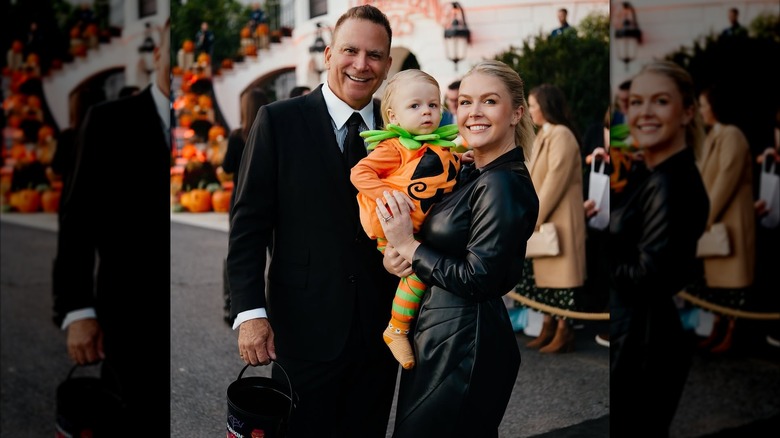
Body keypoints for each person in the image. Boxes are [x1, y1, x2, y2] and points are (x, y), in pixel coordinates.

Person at [226, 5, 399, 437]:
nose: (361, 64)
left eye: (374, 55)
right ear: (328, 55)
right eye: (350, 51)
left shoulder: (401, 128)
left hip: (381, 332)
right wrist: (250, 313)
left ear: (387, 65)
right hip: (302, 332)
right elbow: (248, 226)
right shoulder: (278, 121)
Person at [378, 59, 539, 437]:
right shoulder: (470, 171)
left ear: (517, 113)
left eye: (489, 101)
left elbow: (479, 277)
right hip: (441, 334)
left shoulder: (502, 183)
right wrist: (397, 256)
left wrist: (409, 246)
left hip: (466, 341)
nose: (473, 112)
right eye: (465, 102)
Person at [52, 17, 171, 436]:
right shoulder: (107, 120)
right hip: (127, 322)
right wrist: (78, 310)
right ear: (158, 54)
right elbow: (76, 222)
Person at [610, 60, 709, 437]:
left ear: (687, 112)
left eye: (660, 101)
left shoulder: (672, 182)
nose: (644, 112)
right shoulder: (652, 173)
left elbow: (648, 277)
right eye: (636, 102)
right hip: (638, 335)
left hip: (642, 344)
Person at [350, 69, 461, 369]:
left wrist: (461, 161)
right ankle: (396, 329)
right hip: (393, 227)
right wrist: (388, 196)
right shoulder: (395, 147)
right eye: (415, 105)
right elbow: (360, 172)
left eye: (433, 105)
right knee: (416, 273)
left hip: (420, 229)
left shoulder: (439, 145)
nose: (426, 111)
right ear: (394, 117)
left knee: (424, 272)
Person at [518, 83, 586, 354]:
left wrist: (534, 217)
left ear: (547, 106)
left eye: (533, 105)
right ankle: (549, 326)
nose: (530, 111)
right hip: (547, 218)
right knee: (548, 282)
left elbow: (554, 181)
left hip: (560, 220)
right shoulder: (545, 134)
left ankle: (564, 331)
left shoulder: (562, 135)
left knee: (562, 282)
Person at [691, 86, 755, 354]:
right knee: (718, 287)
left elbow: (725, 181)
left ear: (716, 107)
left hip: (730, 223)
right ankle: (718, 329)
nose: (700, 110)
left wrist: (704, 216)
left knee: (733, 286)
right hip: (717, 223)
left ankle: (731, 334)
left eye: (704, 105)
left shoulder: (732, 135)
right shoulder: (713, 136)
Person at [218, 87, 269, 326]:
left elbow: (227, 167)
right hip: (270, 197)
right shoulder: (271, 130)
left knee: (239, 247)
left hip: (241, 199)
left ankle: (231, 301)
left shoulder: (237, 136)